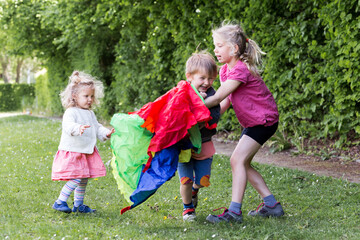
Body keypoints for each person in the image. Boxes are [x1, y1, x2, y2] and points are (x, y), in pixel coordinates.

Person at [204, 22, 284, 223]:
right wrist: (209, 120)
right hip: (253, 122)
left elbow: (216, 97)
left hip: (263, 121)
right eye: (215, 45)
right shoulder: (225, 71)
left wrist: (194, 105)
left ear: (235, 48)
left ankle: (234, 212)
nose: (215, 49)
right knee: (243, 163)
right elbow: (225, 101)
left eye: (220, 45)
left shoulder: (240, 70)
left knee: (236, 160)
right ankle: (271, 205)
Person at [51, 71, 114, 213]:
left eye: (92, 96)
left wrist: (106, 133)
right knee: (77, 177)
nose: (90, 99)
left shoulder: (90, 113)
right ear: (75, 96)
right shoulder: (71, 112)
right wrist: (78, 128)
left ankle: (78, 205)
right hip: (73, 151)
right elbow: (67, 126)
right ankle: (60, 201)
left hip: (86, 151)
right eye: (86, 96)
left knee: (84, 178)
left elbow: (97, 127)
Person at [177, 52, 221, 221]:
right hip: (185, 146)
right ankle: (187, 208)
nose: (207, 83)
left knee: (203, 179)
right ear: (189, 76)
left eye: (210, 79)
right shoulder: (182, 92)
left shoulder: (212, 94)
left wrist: (202, 117)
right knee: (185, 180)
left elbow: (215, 114)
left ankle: (195, 190)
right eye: (202, 78)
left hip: (204, 144)